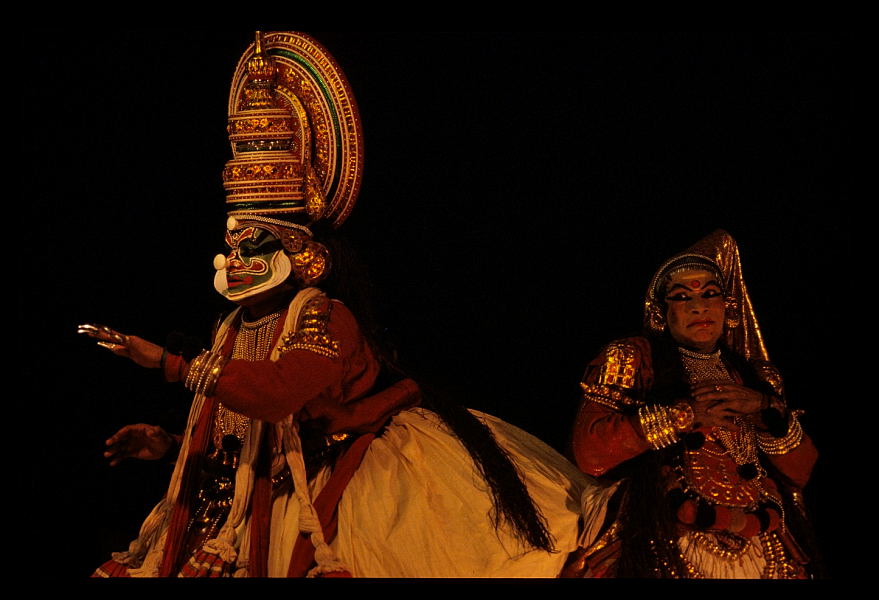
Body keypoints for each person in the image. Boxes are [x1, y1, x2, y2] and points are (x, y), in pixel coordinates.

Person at [80, 31, 590, 578]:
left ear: (299, 251)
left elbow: (279, 395)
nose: (235, 258)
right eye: (232, 245)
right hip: (246, 504)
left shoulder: (324, 316)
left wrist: (168, 363)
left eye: (253, 244)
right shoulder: (231, 326)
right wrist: (172, 444)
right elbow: (251, 437)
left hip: (334, 488)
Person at [563, 230, 819, 579]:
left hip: (760, 539)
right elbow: (590, 453)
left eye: (710, 294)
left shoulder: (756, 377)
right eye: (683, 298)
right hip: (662, 527)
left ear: (727, 307)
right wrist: (682, 416)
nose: (700, 307)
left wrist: (765, 410)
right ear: (661, 313)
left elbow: (799, 474)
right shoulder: (632, 358)